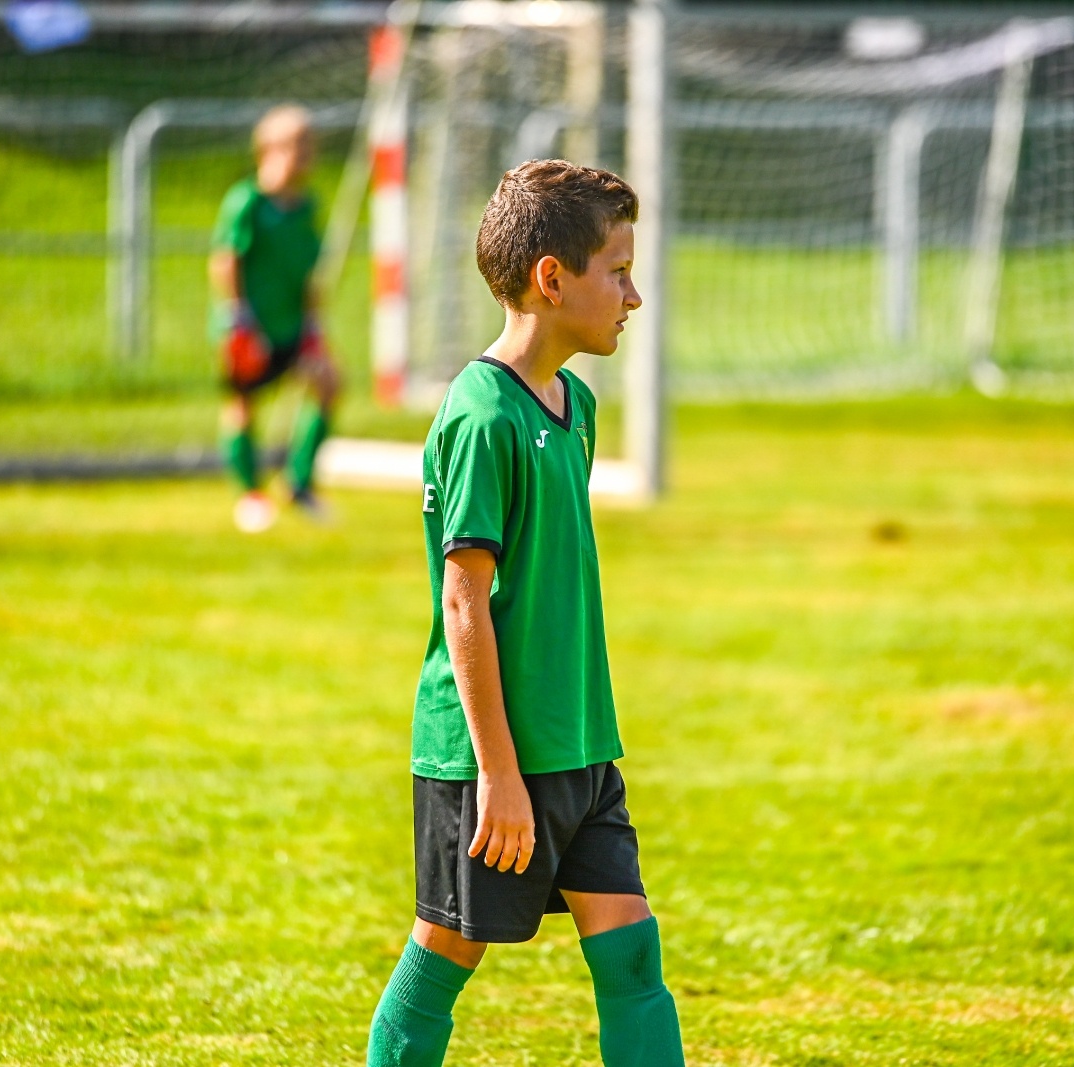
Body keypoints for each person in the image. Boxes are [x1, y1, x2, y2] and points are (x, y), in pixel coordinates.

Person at [365, 159, 685, 1067]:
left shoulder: (575, 406)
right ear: (553, 279)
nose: (633, 293)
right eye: (617, 271)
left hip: (581, 744)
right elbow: (462, 600)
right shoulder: (478, 416)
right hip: (491, 758)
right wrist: (500, 777)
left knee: (631, 953)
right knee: (445, 952)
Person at [208, 104, 339, 532]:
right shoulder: (248, 201)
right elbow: (226, 261)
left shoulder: (306, 206)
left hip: (292, 325)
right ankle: (249, 494)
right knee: (243, 405)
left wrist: (313, 323)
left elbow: (308, 271)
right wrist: (239, 318)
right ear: (270, 149)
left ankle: (298, 483)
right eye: (299, 144)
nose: (308, 153)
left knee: (329, 382)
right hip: (249, 326)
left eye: (310, 144)